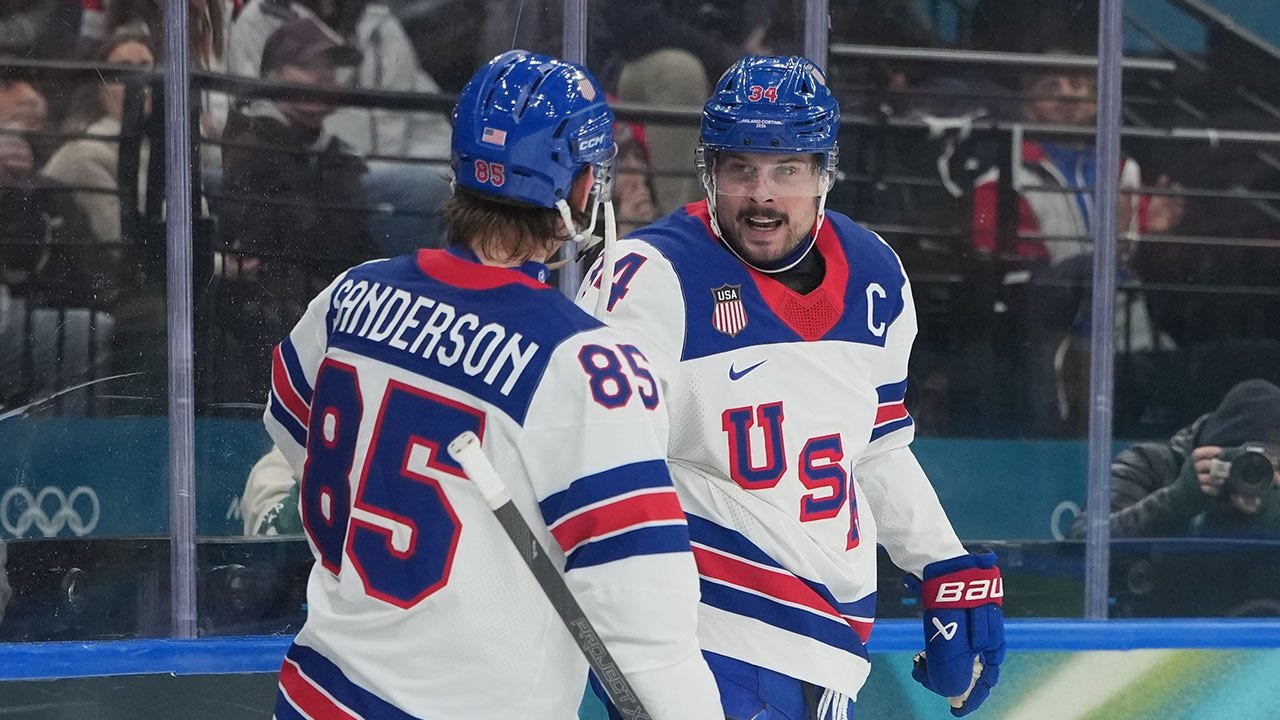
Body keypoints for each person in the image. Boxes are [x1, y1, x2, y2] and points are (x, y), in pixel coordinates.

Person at [262, 49, 721, 719]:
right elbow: (646, 623)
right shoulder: (583, 363)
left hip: (315, 695)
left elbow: (291, 427)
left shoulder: (350, 296)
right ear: (581, 188)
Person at [577, 55, 1005, 719]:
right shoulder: (651, 276)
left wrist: (940, 562)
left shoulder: (876, 273)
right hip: (698, 638)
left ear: (824, 173)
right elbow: (600, 465)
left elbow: (877, 445)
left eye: (787, 169)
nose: (762, 195)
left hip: (828, 648)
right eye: (740, 169)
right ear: (709, 172)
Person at [213, 14, 373, 405]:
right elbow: (283, 241)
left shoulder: (334, 154)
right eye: (308, 66)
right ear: (273, 75)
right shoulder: (250, 145)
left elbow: (350, 240)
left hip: (324, 297)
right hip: (275, 307)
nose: (324, 78)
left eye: (329, 69)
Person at [1068, 378, 1280, 539]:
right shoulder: (1150, 464)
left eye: (1270, 465)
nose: (1252, 475)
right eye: (1243, 462)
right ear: (1217, 451)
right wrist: (1178, 500)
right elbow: (1081, 537)